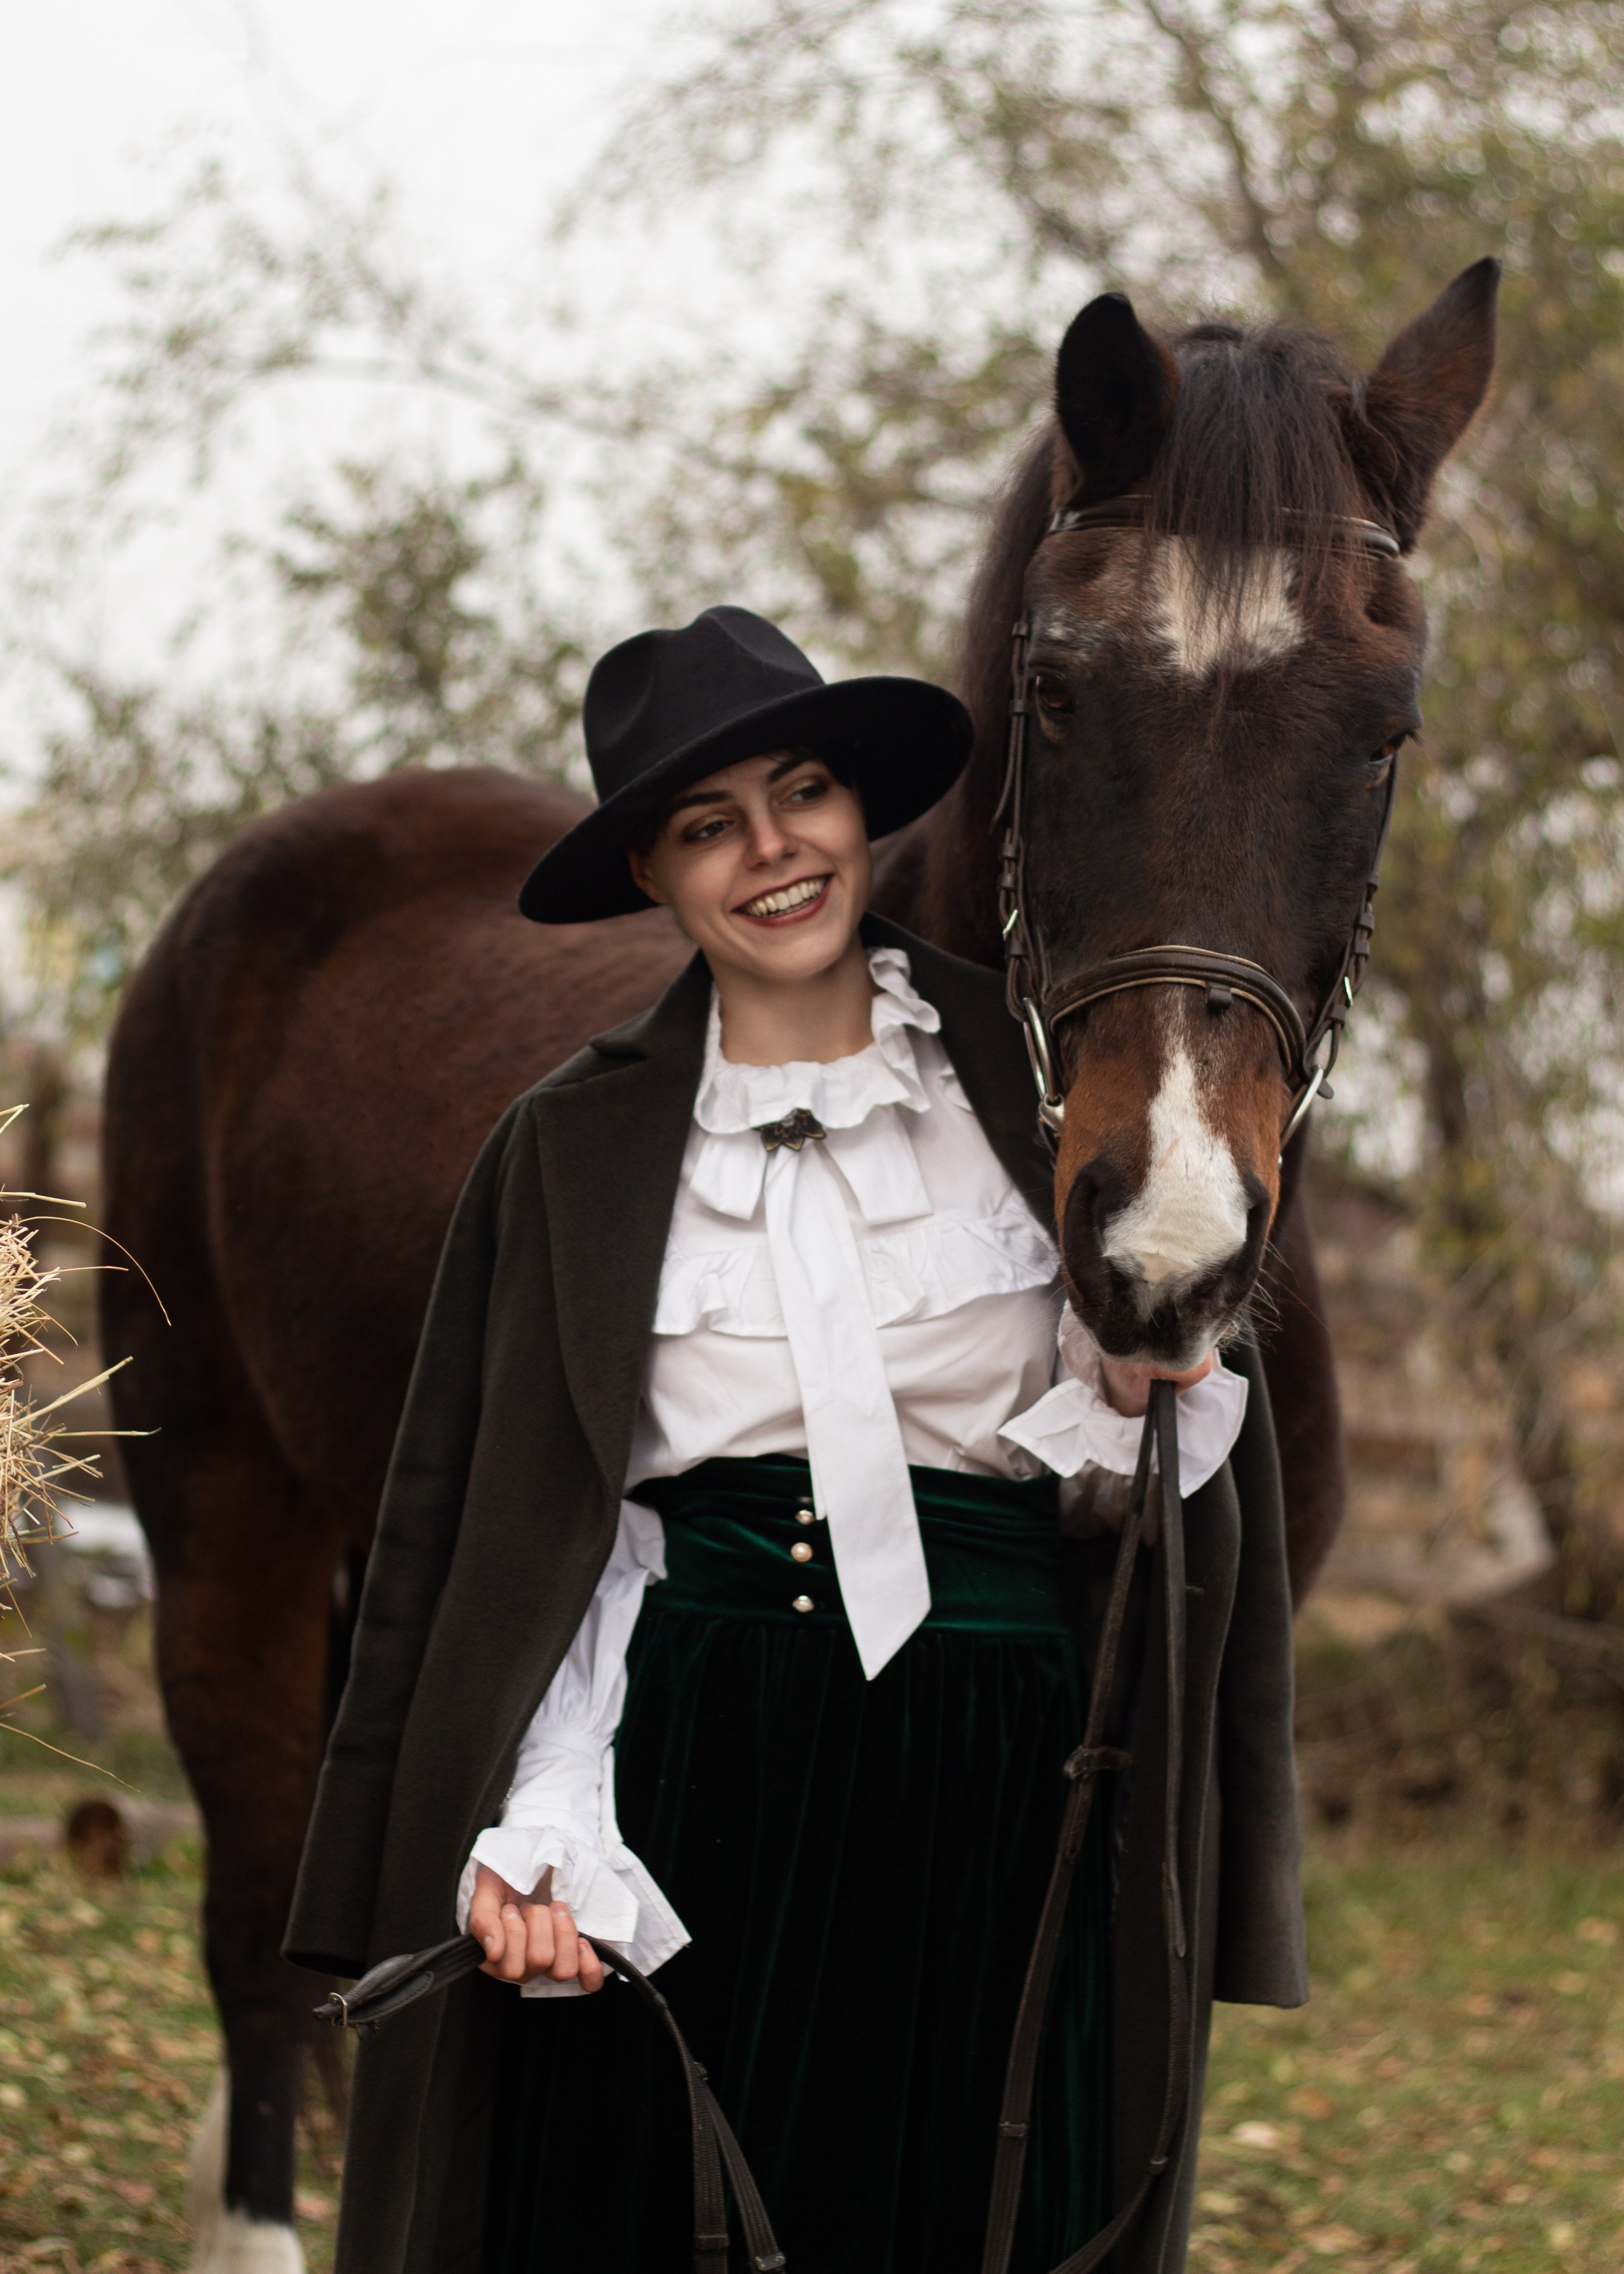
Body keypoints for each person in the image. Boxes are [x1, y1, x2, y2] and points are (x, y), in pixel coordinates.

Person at [287, 606, 1306, 2274]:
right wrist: (544, 1814)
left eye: (805, 791)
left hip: (1009, 1774)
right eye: (708, 825)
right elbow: (528, 1530)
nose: (773, 850)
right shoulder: (571, 1149)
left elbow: (1148, 1485)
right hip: (704, 1758)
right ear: (657, 877)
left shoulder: (1037, 1083)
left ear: (860, 812)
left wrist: (1133, 1403)